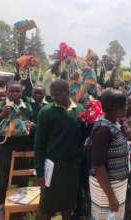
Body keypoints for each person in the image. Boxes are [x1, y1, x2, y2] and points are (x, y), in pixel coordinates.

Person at [34, 80, 85, 220]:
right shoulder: (46, 112)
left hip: (72, 167)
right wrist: (40, 173)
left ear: (68, 92)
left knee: (67, 206)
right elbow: (39, 144)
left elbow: (84, 136)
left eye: (58, 94)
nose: (54, 98)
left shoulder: (79, 110)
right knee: (46, 207)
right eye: (52, 95)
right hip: (53, 167)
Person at [88, 89, 131, 220]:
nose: (127, 107)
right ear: (115, 108)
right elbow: (99, 166)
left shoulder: (115, 123)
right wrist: (111, 198)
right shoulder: (103, 130)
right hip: (106, 188)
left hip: (116, 184)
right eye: (125, 104)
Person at [0, 81, 34, 220]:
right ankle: (0, 211)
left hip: (22, 150)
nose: (14, 94)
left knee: (22, 181)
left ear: (22, 92)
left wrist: (30, 125)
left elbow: (30, 124)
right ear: (6, 91)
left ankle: (20, 210)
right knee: (1, 182)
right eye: (11, 91)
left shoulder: (27, 107)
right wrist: (2, 115)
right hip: (4, 148)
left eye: (17, 91)